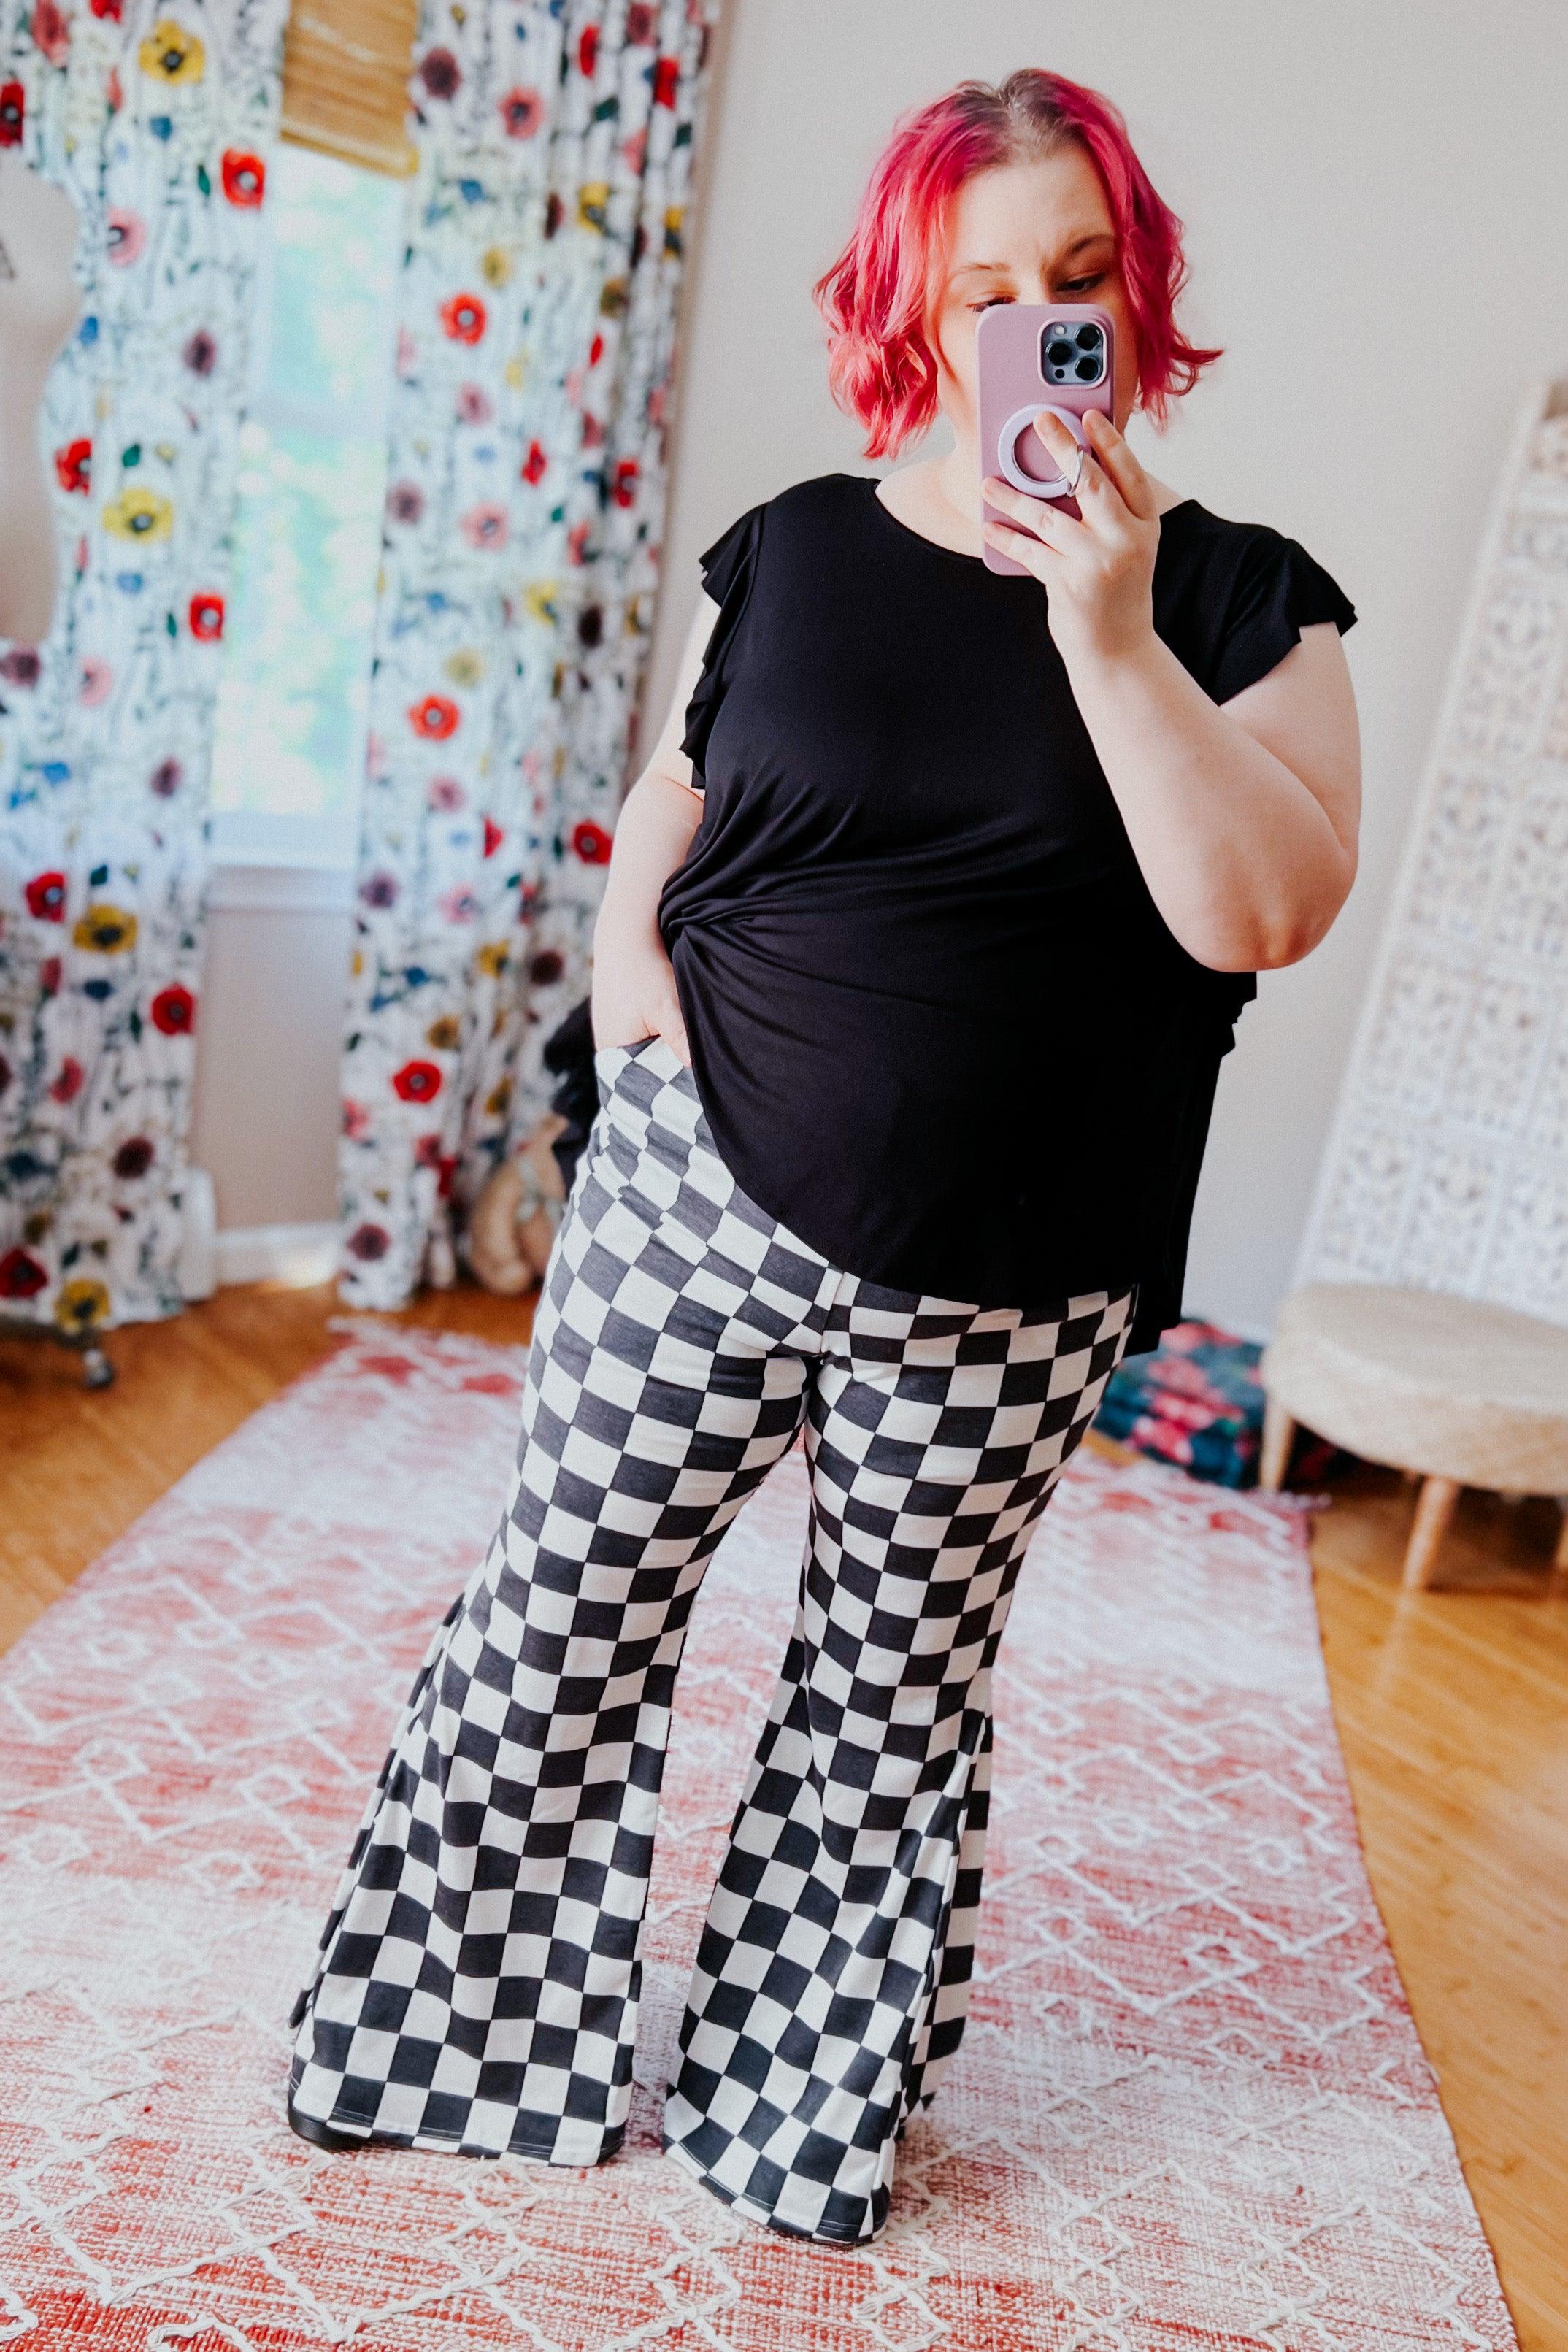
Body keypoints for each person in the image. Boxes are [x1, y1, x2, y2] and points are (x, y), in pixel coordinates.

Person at [287, 69, 1360, 2249]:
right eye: (981, 293)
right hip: (697, 1191)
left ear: (1134, 300)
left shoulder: (1244, 605)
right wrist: (624, 983)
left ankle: (790, 2120)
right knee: (559, 1615)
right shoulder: (784, 543)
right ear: (907, 308)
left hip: (1015, 1273)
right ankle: (451, 2043)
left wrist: (1105, 631)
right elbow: (671, 801)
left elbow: (1254, 913)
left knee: (885, 1698)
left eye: (1074, 283)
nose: (1033, 334)